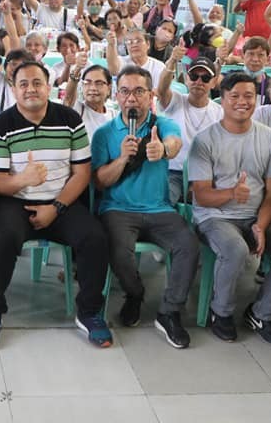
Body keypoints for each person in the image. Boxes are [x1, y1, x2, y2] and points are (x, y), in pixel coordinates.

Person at [0, 61, 112, 349]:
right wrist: (22, 179)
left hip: (61, 200)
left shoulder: (69, 119)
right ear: (13, 89)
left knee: (95, 238)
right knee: (1, 239)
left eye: (37, 82)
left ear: (48, 86)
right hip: (15, 202)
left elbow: (82, 173)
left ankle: (89, 311)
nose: (30, 89)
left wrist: (57, 208)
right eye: (23, 84)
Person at [188, 72, 271, 345]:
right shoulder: (205, 140)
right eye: (235, 96)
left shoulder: (269, 138)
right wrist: (231, 193)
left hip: (258, 213)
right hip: (215, 217)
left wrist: (261, 226)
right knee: (235, 249)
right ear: (223, 99)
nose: (242, 102)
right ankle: (221, 312)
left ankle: (261, 312)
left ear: (258, 99)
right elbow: (202, 196)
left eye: (249, 96)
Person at [92, 66, 200, 349]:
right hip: (117, 209)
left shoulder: (161, 125)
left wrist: (162, 150)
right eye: (125, 91)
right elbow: (100, 182)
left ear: (150, 95)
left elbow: (174, 143)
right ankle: (135, 293)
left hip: (159, 209)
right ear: (117, 96)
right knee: (118, 250)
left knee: (188, 245)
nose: (132, 98)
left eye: (139, 91)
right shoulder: (104, 134)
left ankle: (169, 312)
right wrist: (122, 159)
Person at [156, 53, 224, 204]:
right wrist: (172, 60)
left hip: (204, 176)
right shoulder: (176, 100)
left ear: (213, 83)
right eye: (194, 76)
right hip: (172, 172)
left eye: (205, 78)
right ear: (187, 79)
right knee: (162, 204)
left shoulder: (219, 112)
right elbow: (161, 90)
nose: (198, 81)